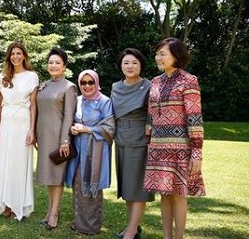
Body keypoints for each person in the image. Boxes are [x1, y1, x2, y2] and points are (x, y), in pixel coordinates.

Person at [143, 38, 205, 239]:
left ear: (176, 56)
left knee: (178, 194)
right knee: (164, 194)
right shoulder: (155, 82)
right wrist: (148, 142)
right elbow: (151, 115)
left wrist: (197, 151)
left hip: (180, 148)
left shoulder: (189, 81)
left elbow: (194, 117)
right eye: (157, 53)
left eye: (163, 53)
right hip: (157, 148)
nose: (158, 57)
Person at [0, 42, 38, 220]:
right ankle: (5, 204)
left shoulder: (32, 77)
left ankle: (18, 204)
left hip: (23, 121)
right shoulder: (3, 76)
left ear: (24, 56)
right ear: (9, 57)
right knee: (5, 163)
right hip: (7, 122)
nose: (15, 56)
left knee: (19, 163)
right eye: (12, 54)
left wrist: (32, 130)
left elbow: (33, 106)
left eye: (19, 53)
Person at [111, 48, 154, 239]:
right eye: (126, 62)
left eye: (134, 63)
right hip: (120, 140)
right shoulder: (115, 87)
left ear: (141, 65)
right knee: (127, 186)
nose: (130, 66)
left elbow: (154, 116)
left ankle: (131, 231)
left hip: (140, 140)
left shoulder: (149, 86)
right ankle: (133, 227)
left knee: (137, 187)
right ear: (121, 65)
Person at [65, 69, 115, 235]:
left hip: (95, 150)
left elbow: (110, 127)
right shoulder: (77, 101)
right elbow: (71, 120)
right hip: (78, 150)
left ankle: (92, 225)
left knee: (92, 185)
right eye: (83, 83)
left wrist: (87, 129)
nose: (87, 86)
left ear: (96, 83)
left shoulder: (104, 101)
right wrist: (72, 129)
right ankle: (78, 222)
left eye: (90, 82)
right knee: (78, 183)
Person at [35, 47, 77, 230]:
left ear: (64, 66)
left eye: (57, 63)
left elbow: (69, 116)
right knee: (48, 174)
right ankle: (49, 209)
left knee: (57, 175)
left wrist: (64, 140)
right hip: (43, 135)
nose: (53, 65)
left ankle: (54, 212)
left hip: (59, 136)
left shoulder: (69, 87)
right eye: (51, 62)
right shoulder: (43, 85)